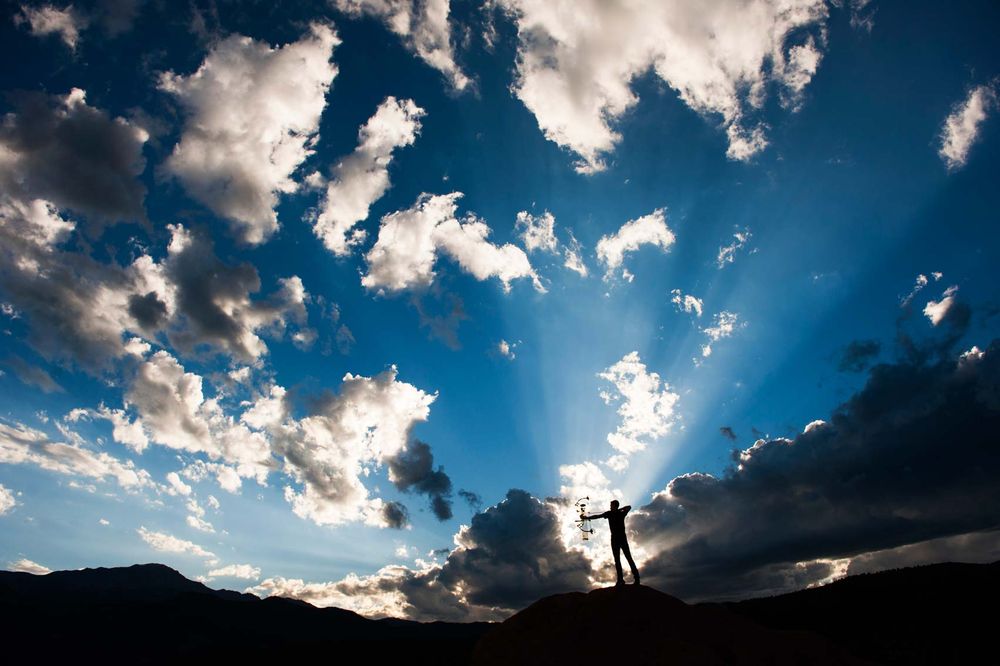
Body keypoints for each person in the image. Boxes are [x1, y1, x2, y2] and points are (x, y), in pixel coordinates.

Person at [586, 500, 640, 586]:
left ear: (615, 506)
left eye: (611, 505)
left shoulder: (620, 513)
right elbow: (597, 516)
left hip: (621, 538)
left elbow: (629, 506)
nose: (610, 507)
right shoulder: (611, 513)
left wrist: (618, 510)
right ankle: (620, 580)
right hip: (614, 538)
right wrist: (587, 518)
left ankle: (636, 578)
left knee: (628, 557)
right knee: (617, 560)